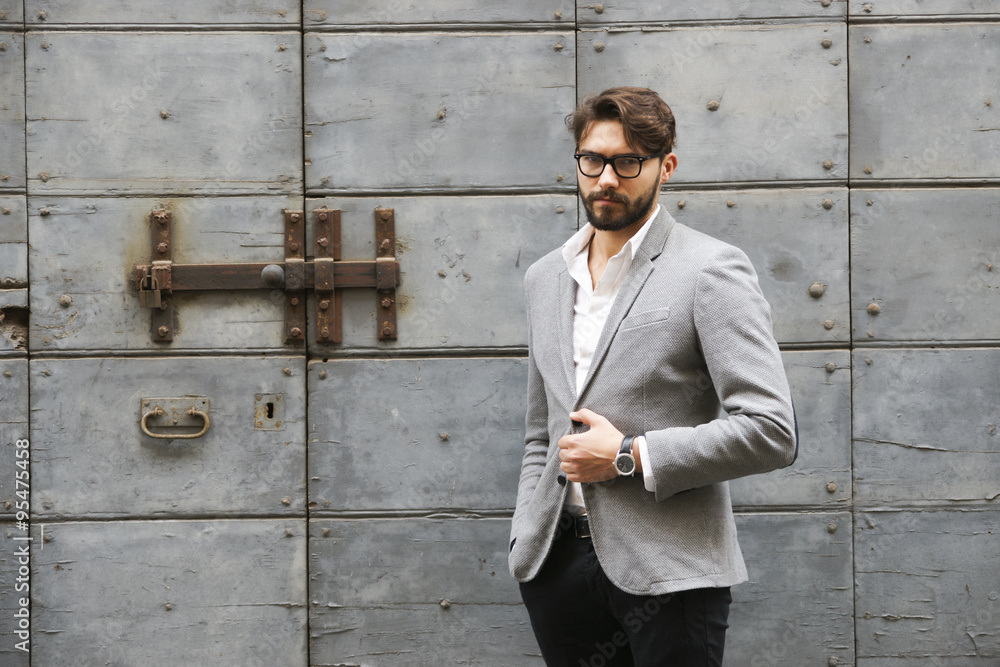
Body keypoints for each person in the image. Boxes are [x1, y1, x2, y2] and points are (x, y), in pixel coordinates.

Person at [508, 87, 797, 666]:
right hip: (557, 568)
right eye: (592, 160)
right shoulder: (545, 277)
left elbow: (771, 430)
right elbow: (541, 432)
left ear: (666, 166)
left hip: (671, 572)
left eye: (627, 162)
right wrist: (526, 535)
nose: (606, 179)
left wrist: (627, 455)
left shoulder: (710, 269)